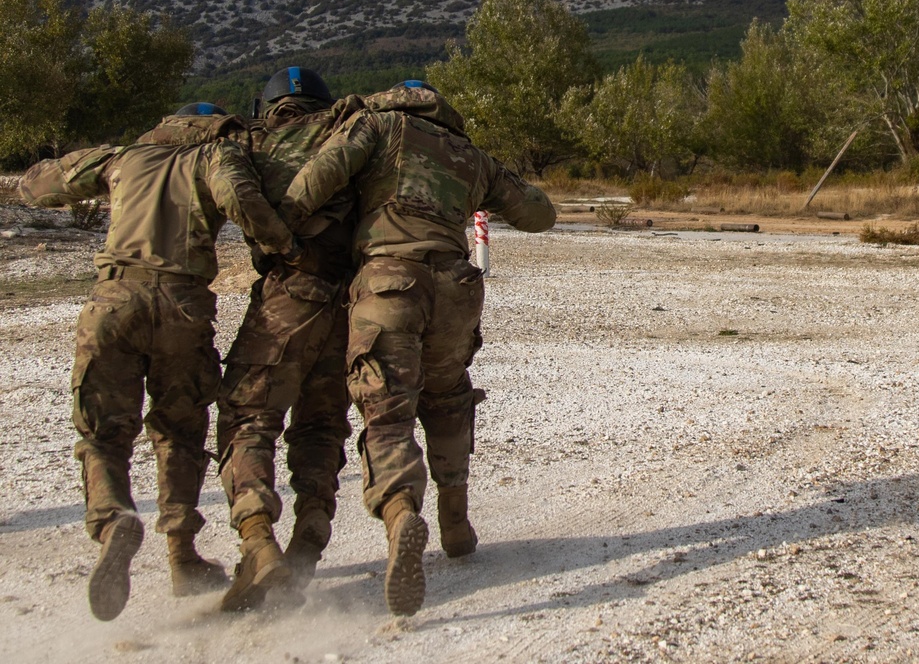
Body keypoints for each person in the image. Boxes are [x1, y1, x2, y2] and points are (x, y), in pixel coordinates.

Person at [280, 81, 556, 616]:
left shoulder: (375, 127)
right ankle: (456, 518)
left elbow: (312, 184)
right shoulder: (470, 155)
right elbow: (539, 214)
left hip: (389, 282)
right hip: (457, 285)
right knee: (449, 393)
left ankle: (402, 513)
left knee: (387, 411)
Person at [19, 103, 297, 622]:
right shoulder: (215, 156)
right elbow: (240, 198)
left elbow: (37, 187)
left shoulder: (123, 158)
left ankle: (112, 518)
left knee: (102, 432)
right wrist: (280, 244)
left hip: (113, 301)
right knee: (180, 431)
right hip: (182, 306)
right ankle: (182, 554)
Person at [215, 67, 364, 611]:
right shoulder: (352, 131)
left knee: (247, 415)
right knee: (322, 424)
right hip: (349, 299)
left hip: (288, 294)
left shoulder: (250, 142)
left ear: (270, 105)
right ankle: (311, 536)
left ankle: (257, 540)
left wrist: (278, 241)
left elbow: (229, 191)